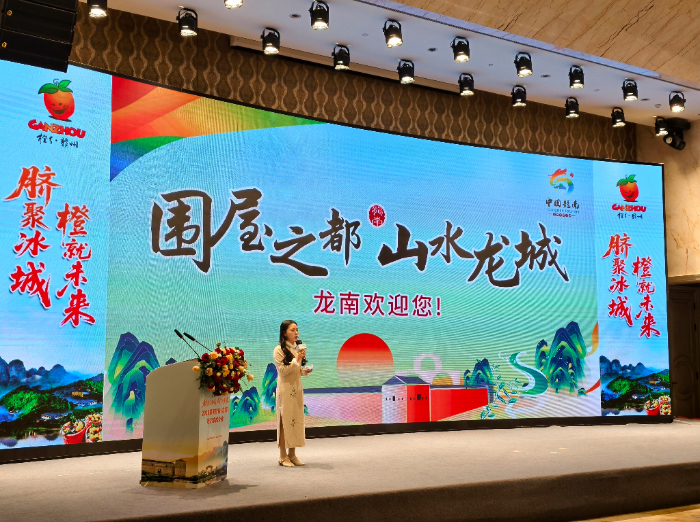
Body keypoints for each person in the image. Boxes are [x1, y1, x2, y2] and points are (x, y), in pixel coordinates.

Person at [274, 320, 312, 467]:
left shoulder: (297, 348)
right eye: (292, 330)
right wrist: (297, 359)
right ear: (284, 333)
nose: (296, 333)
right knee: (285, 421)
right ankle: (282, 456)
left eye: (297, 330)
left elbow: (295, 370)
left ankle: (292, 454)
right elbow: (283, 371)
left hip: (296, 388)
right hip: (285, 389)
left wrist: (304, 371)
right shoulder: (278, 350)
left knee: (295, 420)